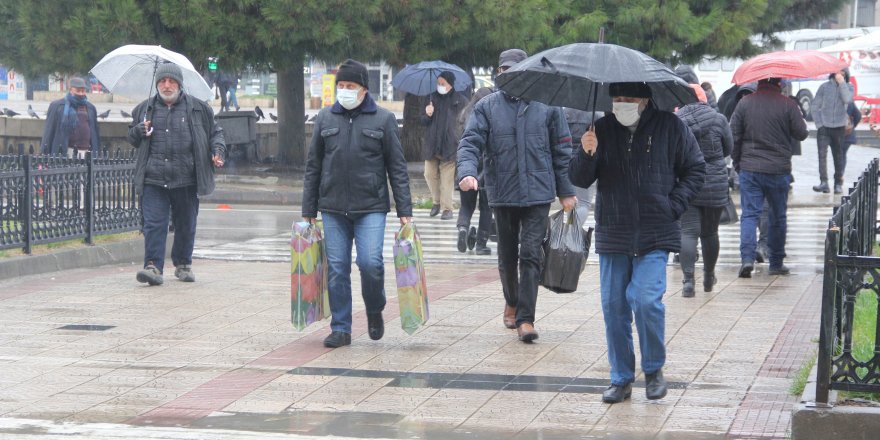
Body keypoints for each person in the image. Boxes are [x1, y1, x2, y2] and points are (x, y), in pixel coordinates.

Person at [569, 82, 705, 404]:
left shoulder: (672, 127)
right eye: (617, 98)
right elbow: (579, 178)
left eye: (628, 98)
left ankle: (654, 369)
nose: (622, 104)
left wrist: (672, 205)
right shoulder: (600, 128)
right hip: (614, 232)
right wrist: (586, 153)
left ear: (645, 99)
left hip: (655, 231)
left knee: (645, 301)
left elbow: (695, 169)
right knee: (614, 308)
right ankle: (621, 378)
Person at [458, 48, 577, 343]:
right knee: (508, 255)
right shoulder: (487, 106)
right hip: (502, 191)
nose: (508, 74)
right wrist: (467, 172)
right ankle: (511, 299)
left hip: (538, 193)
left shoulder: (548, 105)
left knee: (531, 255)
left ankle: (526, 318)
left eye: (514, 69)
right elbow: (470, 142)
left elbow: (562, 151)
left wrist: (566, 191)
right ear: (499, 73)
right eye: (503, 70)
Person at [302, 59, 413, 349]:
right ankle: (341, 327)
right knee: (337, 268)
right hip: (333, 206)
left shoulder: (383, 119)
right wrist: (308, 211)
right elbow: (313, 166)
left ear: (364, 90)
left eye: (350, 86)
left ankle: (375, 308)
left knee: (370, 263)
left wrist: (405, 211)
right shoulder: (325, 118)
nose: (344, 91)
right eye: (341, 86)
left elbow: (397, 167)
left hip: (371, 206)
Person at [127, 63, 226, 286]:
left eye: (171, 81)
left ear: (180, 84)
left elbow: (216, 134)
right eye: (162, 81)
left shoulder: (199, 109)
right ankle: (152, 266)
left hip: (186, 178)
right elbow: (132, 137)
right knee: (154, 224)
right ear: (157, 84)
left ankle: (182, 264)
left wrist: (217, 152)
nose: (167, 85)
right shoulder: (144, 109)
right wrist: (139, 130)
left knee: (186, 223)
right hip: (154, 178)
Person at [730, 78, 808, 278]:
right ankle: (776, 262)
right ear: (779, 84)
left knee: (749, 215)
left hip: (750, 168)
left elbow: (734, 136)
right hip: (778, 170)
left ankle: (747, 259)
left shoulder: (745, 103)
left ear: (759, 82)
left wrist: (737, 162)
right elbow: (801, 133)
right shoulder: (788, 104)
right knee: (777, 216)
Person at [675, 84, 733, 297]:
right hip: (715, 181)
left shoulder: (678, 119)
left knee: (688, 232)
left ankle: (688, 281)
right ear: (704, 98)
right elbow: (729, 148)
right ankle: (708, 275)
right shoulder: (719, 119)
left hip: (688, 180)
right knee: (710, 232)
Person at [455, 84, 496, 255]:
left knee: (466, 204)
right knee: (486, 207)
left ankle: (463, 229)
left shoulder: (465, 114)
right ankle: (481, 244)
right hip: (485, 166)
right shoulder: (488, 113)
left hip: (467, 167)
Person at [423, 71, 468, 220]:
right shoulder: (431, 99)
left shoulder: (460, 100)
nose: (440, 86)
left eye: (443, 83)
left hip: (450, 144)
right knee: (429, 174)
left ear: (450, 84)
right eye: (438, 83)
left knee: (447, 179)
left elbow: (465, 121)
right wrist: (427, 115)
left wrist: (459, 137)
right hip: (433, 143)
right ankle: (436, 202)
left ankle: (447, 208)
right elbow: (422, 121)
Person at [812, 69, 854, 194]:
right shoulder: (824, 87)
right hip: (824, 127)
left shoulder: (849, 87)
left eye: (843, 73)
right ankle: (824, 182)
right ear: (833, 73)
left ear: (846, 74)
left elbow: (847, 99)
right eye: (838, 72)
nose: (840, 75)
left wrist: (842, 84)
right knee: (822, 156)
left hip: (839, 127)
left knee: (838, 156)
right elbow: (815, 106)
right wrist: (819, 124)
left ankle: (838, 184)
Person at [41, 77, 101, 158]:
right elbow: (49, 132)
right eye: (78, 91)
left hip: (86, 152)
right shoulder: (57, 106)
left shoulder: (90, 108)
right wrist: (44, 154)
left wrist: (97, 154)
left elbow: (95, 134)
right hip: (65, 152)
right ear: (71, 90)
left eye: (83, 91)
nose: (81, 94)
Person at [564, 107, 602, 227]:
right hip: (586, 161)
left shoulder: (566, 113)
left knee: (571, 202)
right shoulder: (597, 115)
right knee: (584, 203)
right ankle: (572, 234)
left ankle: (571, 232)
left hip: (567, 161)